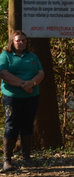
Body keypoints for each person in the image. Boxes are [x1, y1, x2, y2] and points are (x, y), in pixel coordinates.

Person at [0, 30, 44, 170]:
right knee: (11, 126)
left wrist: (32, 83)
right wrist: (24, 85)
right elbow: (3, 73)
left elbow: (41, 73)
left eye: (23, 40)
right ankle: (7, 160)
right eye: (18, 40)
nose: (21, 42)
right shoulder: (5, 55)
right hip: (12, 97)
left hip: (31, 97)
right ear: (12, 42)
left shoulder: (32, 56)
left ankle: (27, 158)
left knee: (27, 125)